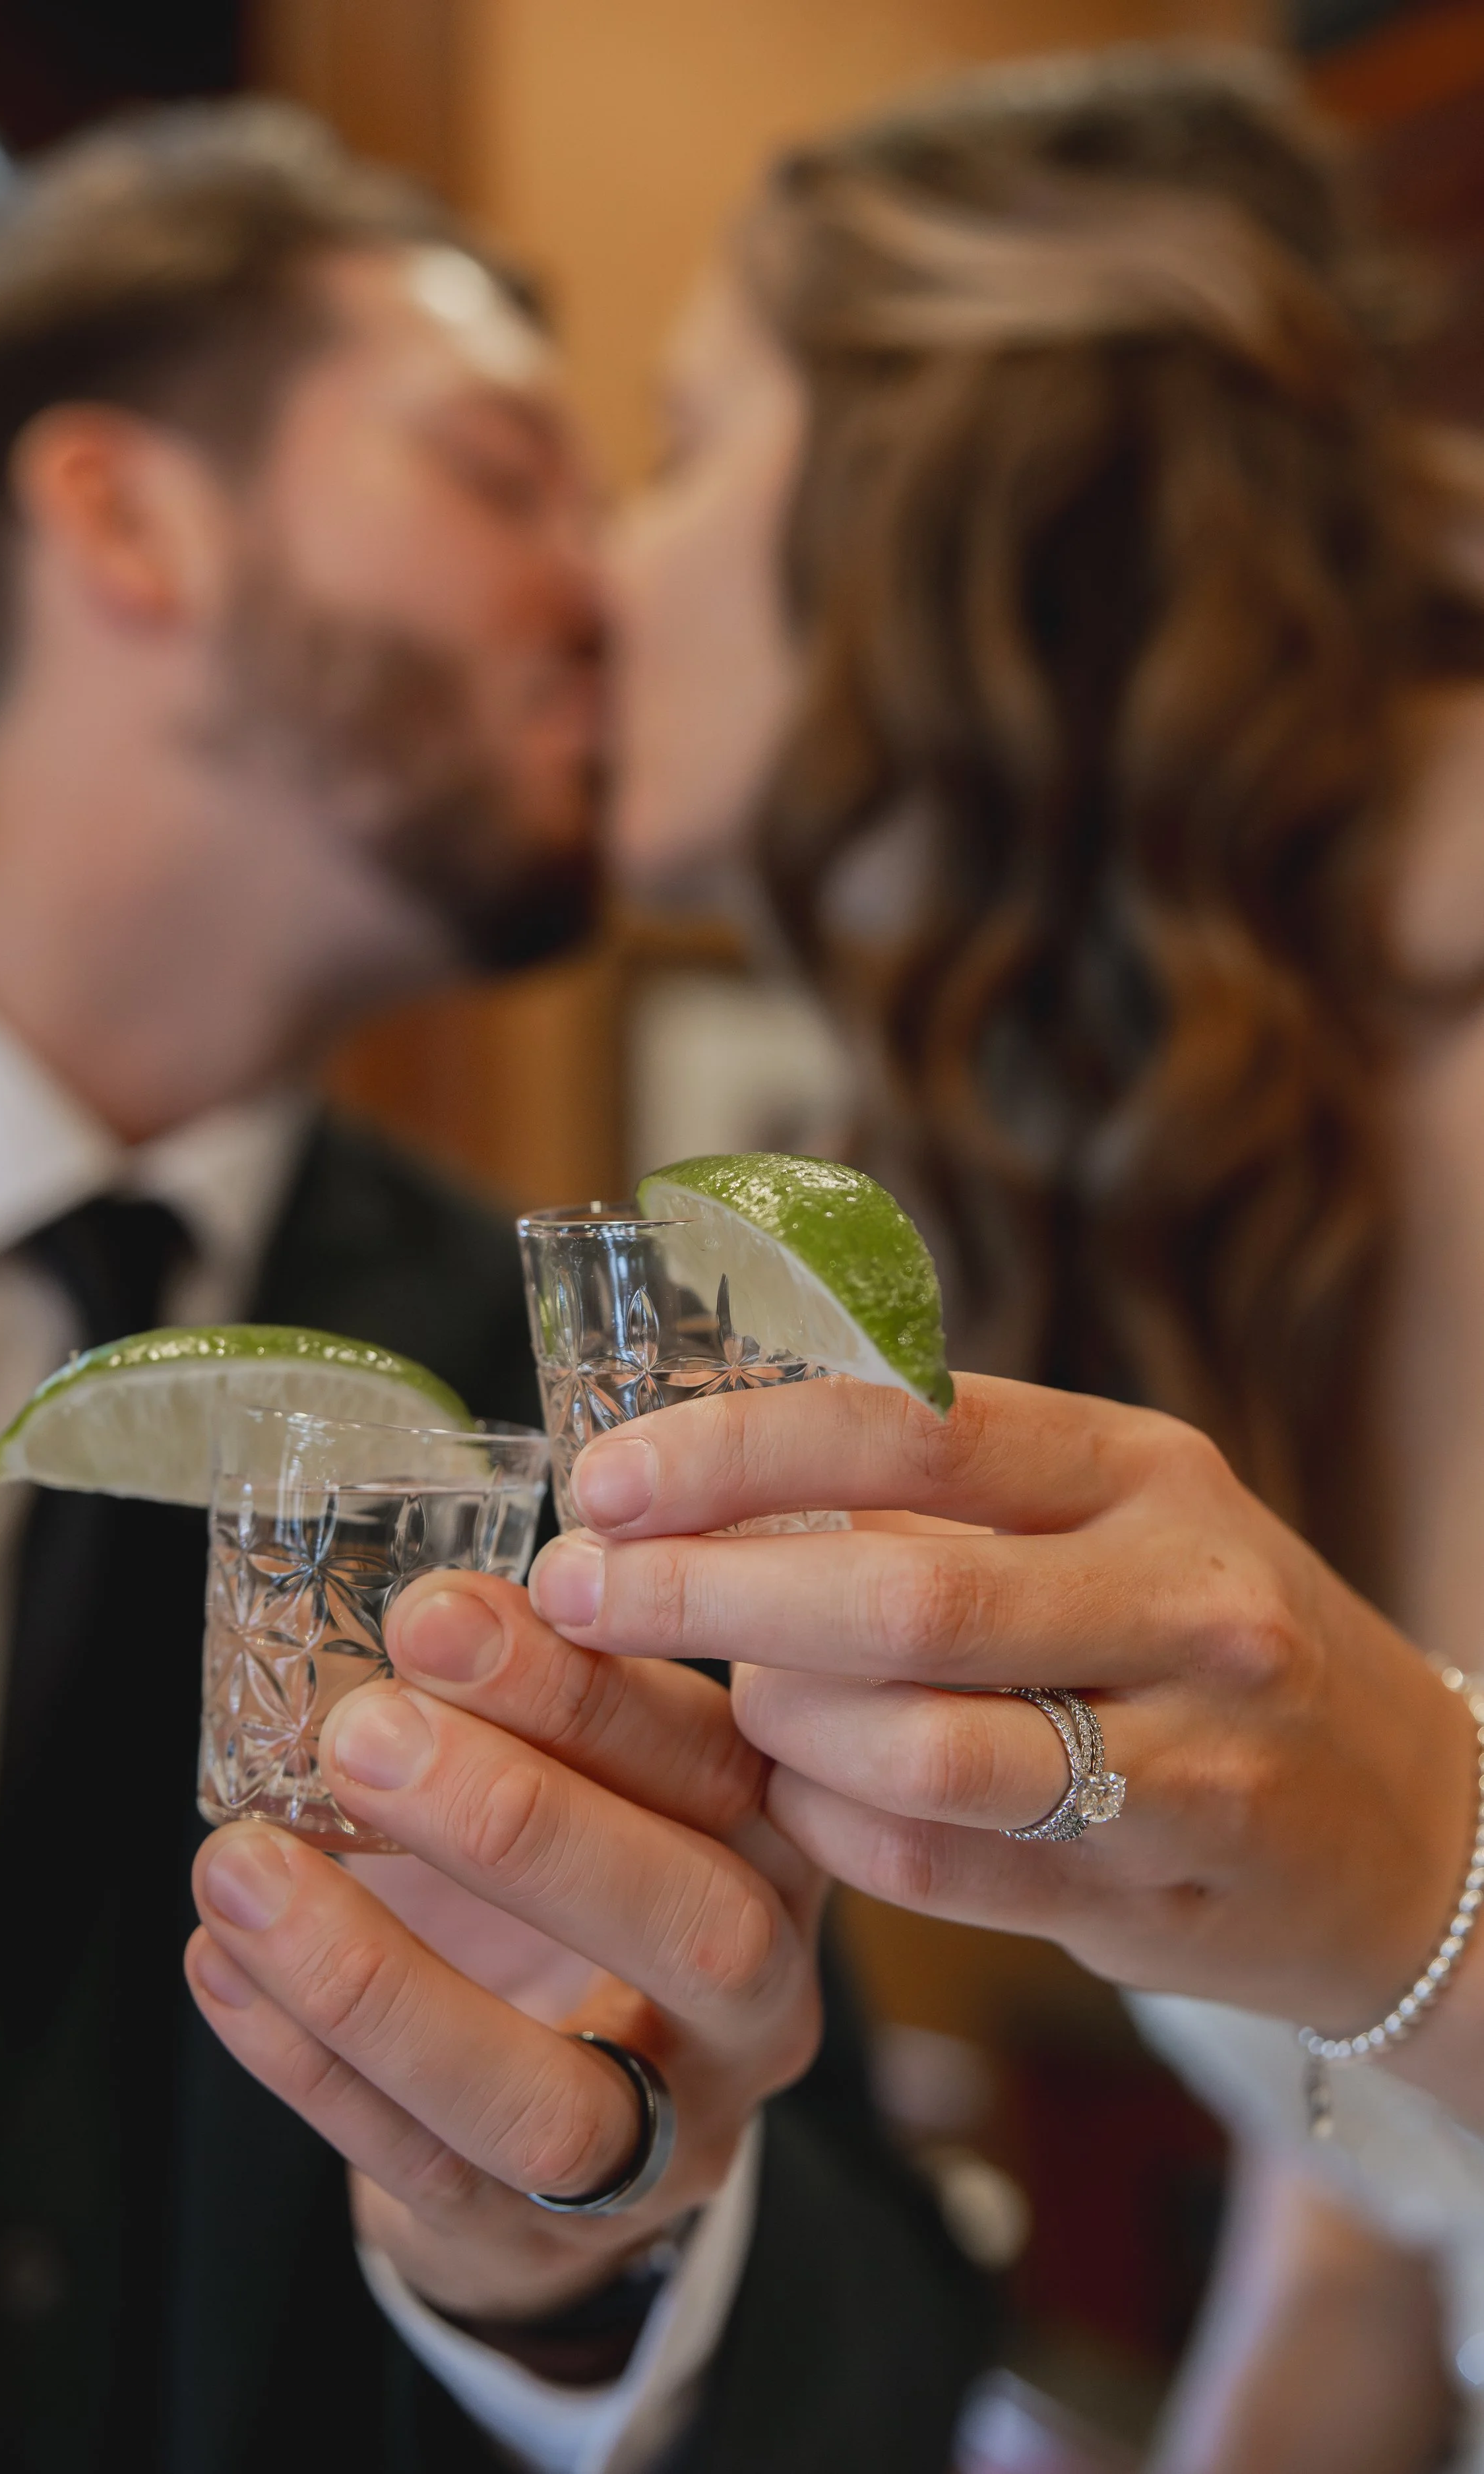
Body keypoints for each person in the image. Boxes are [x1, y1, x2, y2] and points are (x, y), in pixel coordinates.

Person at [0, 102, 989, 2471]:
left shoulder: (604, 1389)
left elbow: (864, 2363)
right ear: (127, 519)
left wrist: (582, 2269)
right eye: (501, 471)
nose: (602, 587)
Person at [483, 40, 1484, 2470]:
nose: (606, 569)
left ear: (946, 480)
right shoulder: (1194, 1144)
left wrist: (1419, 1868)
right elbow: (1362, 2209)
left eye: (687, 438)